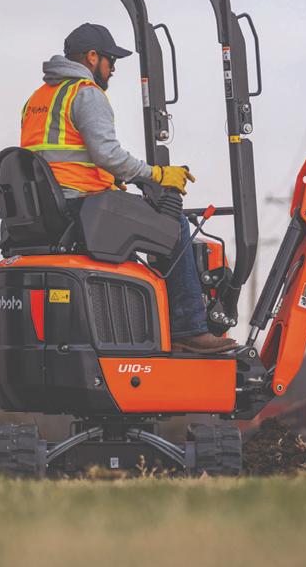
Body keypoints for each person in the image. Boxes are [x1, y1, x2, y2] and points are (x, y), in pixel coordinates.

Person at [21, 22, 236, 354]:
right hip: (80, 207)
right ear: (92, 57)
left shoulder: (38, 98)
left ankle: (151, 321)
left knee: (140, 234)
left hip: (50, 210)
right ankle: (189, 328)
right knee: (174, 226)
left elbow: (62, 156)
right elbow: (107, 155)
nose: (113, 68)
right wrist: (157, 175)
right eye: (111, 60)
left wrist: (120, 178)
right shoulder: (85, 93)